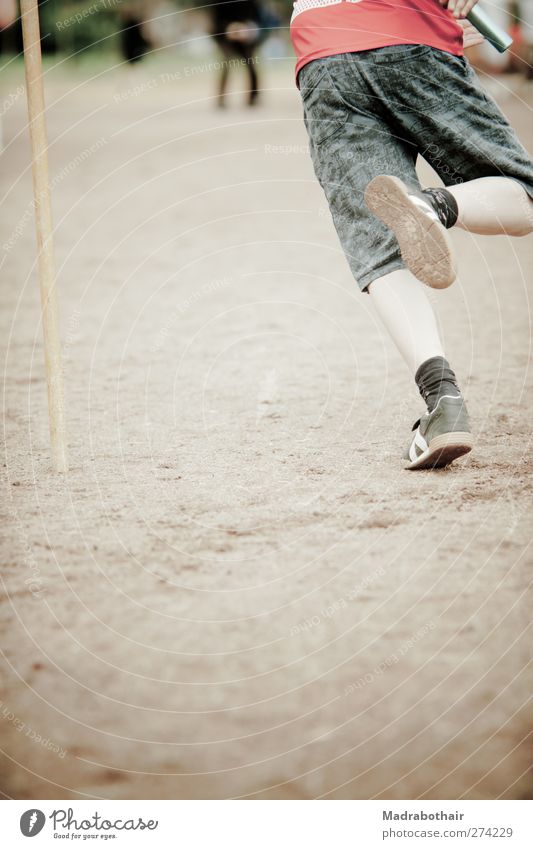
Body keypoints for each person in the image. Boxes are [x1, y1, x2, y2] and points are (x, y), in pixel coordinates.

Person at [290, 0, 533, 469]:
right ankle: (434, 205)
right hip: (409, 38)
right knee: (523, 191)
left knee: (379, 248)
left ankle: (444, 404)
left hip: (322, 56)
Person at [210, 0, 262, 107]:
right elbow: (215, 22)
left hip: (245, 36)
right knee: (225, 62)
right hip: (225, 35)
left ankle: (253, 97)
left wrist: (247, 29)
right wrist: (227, 29)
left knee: (250, 62)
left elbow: (257, 20)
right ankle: (221, 97)